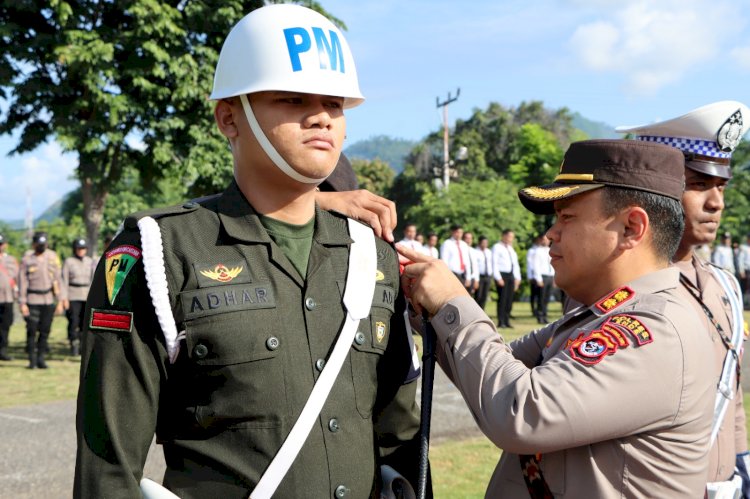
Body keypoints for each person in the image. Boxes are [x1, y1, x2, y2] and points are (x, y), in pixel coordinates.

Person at [74, 5, 424, 498]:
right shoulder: (159, 252)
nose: (321, 115)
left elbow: (402, 440)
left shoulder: (373, 257)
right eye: (293, 97)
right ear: (228, 119)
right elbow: (107, 466)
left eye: (335, 102)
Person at [397, 139, 715, 497]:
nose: (551, 233)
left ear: (631, 228)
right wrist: (424, 303)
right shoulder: (603, 314)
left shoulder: (655, 330)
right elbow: (492, 369)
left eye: (567, 217)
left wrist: (453, 302)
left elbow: (520, 411)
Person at [617, 100, 750, 497]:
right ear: (658, 190)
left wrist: (740, 462)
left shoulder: (724, 287)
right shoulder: (622, 292)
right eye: (698, 185)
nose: (716, 203)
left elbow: (731, 394)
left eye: (721, 187)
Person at [18, 231, 63, 369]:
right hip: (32, 300)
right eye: (39, 244)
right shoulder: (27, 259)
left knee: (45, 331)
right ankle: (32, 361)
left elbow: (57, 279)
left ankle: (41, 359)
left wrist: (60, 300)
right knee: (31, 331)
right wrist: (22, 302)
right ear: (34, 244)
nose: (42, 246)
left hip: (48, 300)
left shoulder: (53, 257)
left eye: (44, 244)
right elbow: (22, 282)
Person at [61, 238, 94, 356]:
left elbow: (93, 279)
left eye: (83, 248)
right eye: (79, 248)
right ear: (74, 249)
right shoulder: (69, 262)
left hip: (87, 294)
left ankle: (82, 345)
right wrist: (64, 298)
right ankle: (73, 343)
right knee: (73, 321)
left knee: (84, 322)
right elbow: (63, 280)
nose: (81, 251)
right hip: (73, 294)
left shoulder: (90, 261)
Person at [491, 229, 520, 328]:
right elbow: (494, 263)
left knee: (509, 299)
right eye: (509, 236)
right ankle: (501, 321)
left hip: (511, 275)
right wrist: (498, 278)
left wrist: (517, 278)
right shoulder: (497, 247)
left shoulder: (511, 249)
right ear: (503, 236)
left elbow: (515, 264)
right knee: (502, 299)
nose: (511, 239)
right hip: (502, 275)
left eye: (512, 237)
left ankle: (507, 320)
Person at [0, 234, 18, 361]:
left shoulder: (11, 260)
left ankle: (3, 350)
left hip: (8, 298)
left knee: (6, 325)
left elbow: (17, 276)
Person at [530, 234, 554, 324]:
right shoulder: (537, 251)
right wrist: (538, 279)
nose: (546, 241)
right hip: (542, 276)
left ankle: (545, 315)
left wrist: (554, 276)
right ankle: (539, 316)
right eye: (544, 239)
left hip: (549, 276)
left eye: (547, 239)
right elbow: (535, 266)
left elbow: (552, 265)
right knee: (541, 297)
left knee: (546, 298)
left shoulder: (550, 250)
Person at [473, 236, 494, 311]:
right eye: (483, 243)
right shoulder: (475, 251)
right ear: (479, 243)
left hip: (487, 276)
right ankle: (476, 312)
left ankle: (482, 311)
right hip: (479, 276)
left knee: (484, 296)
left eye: (486, 243)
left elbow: (491, 264)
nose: (485, 244)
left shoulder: (488, 252)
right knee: (478, 295)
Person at [525, 236, 540, 320]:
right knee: (534, 294)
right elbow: (530, 265)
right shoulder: (531, 251)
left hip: (540, 275)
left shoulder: (541, 250)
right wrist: (530, 276)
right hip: (534, 276)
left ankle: (537, 309)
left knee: (539, 295)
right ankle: (533, 309)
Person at [462, 231, 479, 295]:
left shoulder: (474, 251)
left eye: (470, 238)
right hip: (463, 277)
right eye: (467, 238)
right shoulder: (461, 250)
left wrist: (476, 279)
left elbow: (475, 266)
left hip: (472, 277)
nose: (468, 240)